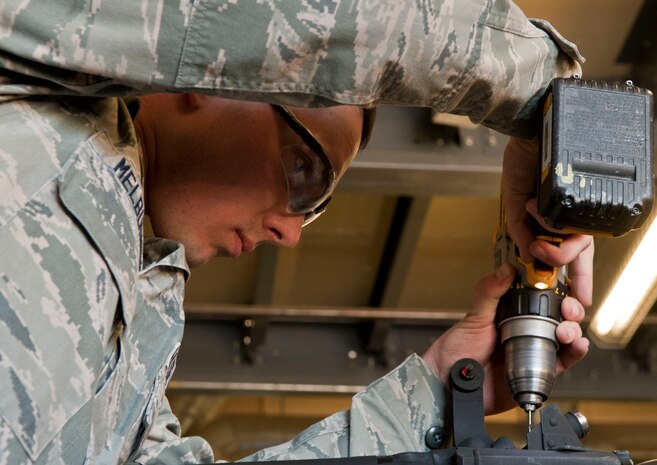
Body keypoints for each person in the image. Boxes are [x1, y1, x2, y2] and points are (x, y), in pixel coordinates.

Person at [0, 1, 593, 464]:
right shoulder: (38, 51)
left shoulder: (143, 342)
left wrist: (441, 393)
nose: (291, 233)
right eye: (304, 172)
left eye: (315, 205)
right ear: (219, 76)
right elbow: (334, 20)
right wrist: (548, 101)